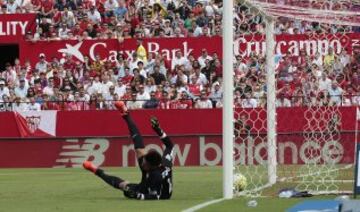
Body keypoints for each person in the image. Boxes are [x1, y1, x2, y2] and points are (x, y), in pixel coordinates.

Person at [83, 101, 174, 200]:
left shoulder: (155, 176)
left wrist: (138, 196)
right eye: (143, 161)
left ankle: (97, 171)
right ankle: (126, 114)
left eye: (144, 163)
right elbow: (170, 146)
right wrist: (158, 129)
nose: (142, 163)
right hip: (150, 180)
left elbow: (156, 196)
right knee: (139, 148)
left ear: (151, 166)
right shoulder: (165, 162)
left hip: (150, 190)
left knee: (124, 186)